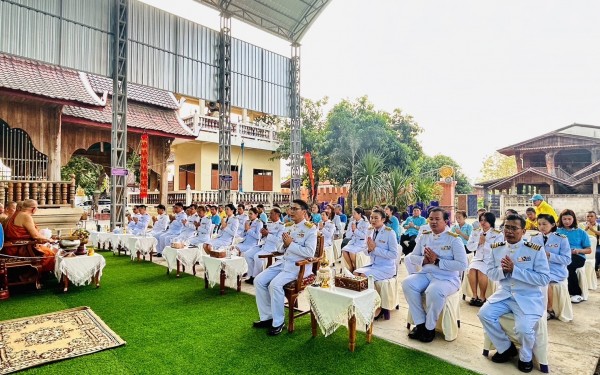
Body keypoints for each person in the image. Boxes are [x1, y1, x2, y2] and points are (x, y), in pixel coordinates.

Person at [478, 214, 550, 373]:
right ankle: (505, 348)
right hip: (504, 295)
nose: (509, 231)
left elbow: (544, 278)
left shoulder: (534, 250)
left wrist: (515, 271)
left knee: (523, 329)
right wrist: (503, 271)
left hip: (527, 297)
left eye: (514, 228)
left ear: (523, 231)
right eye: (506, 227)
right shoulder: (497, 248)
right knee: (484, 314)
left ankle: (526, 357)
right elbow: (490, 273)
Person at [403, 207, 468, 343]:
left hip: (447, 278)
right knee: (407, 283)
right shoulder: (425, 236)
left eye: (437, 219)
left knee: (434, 290)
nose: (433, 222)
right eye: (431, 219)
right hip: (426, 274)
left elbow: (462, 264)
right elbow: (412, 256)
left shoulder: (454, 240)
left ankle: (429, 328)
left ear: (446, 221)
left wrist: (437, 261)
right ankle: (420, 324)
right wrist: (423, 260)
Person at [253, 199, 317, 336]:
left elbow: (310, 253)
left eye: (295, 209)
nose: (291, 211)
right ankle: (267, 317)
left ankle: (278, 322)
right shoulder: (287, 226)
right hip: (283, 262)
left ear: (304, 212)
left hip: (298, 266)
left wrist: (291, 244)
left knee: (274, 285)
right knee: (258, 281)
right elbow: (280, 247)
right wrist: (285, 245)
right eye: (290, 208)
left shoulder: (310, 229)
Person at [530, 214, 571, 320]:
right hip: (538, 269)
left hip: (555, 271)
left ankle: (549, 309)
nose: (541, 226)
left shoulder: (561, 239)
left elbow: (567, 260)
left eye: (544, 224)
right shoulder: (534, 238)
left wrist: (550, 255)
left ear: (552, 224)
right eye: (539, 224)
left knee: (545, 281)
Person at [4, 199, 56, 273]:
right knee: (49, 253)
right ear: (34, 209)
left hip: (11, 247)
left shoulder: (15, 214)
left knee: (46, 248)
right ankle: (34, 276)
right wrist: (49, 240)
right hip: (21, 248)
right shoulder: (26, 216)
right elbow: (35, 235)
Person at [466, 212, 504, 306]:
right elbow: (469, 247)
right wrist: (478, 243)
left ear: (491, 222)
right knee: (472, 270)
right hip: (477, 258)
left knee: (481, 271)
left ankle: (482, 297)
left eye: (486, 220)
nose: (483, 223)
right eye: (481, 220)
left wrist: (485, 243)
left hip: (490, 259)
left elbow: (498, 249)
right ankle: (474, 296)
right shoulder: (475, 232)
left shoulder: (498, 234)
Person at [556, 209, 591, 304]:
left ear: (574, 219)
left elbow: (589, 249)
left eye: (569, 219)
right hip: (561, 256)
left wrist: (578, 251)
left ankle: (576, 293)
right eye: (564, 219)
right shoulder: (557, 231)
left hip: (577, 256)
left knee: (568, 266)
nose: (567, 221)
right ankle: (558, 291)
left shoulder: (581, 232)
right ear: (561, 219)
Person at [244, 208, 285, 284]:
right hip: (263, 245)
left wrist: (267, 234)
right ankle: (251, 274)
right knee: (247, 254)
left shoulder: (282, 226)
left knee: (257, 256)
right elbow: (262, 236)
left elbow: (278, 240)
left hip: (272, 248)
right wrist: (263, 234)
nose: (270, 215)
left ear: (277, 215)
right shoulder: (269, 223)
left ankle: (256, 277)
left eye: (272, 213)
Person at [341, 207, 370, 272]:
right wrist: (352, 229)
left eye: (354, 213)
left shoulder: (365, 223)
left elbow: (364, 236)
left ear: (359, 214)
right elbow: (348, 235)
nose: (353, 215)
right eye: (352, 213)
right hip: (353, 242)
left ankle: (356, 267)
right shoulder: (352, 222)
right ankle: (351, 267)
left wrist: (355, 230)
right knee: (344, 250)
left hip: (361, 243)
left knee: (352, 252)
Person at [581, 211, 600, 275]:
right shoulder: (581, 225)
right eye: (588, 216)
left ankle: (595, 269)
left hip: (597, 245)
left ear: (595, 218)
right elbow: (578, 235)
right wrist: (586, 229)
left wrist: (592, 230)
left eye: (591, 216)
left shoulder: (598, 225)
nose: (589, 218)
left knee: (597, 253)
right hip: (584, 245)